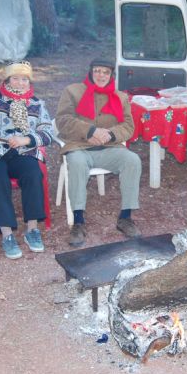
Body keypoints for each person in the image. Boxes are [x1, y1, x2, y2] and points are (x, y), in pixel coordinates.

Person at [55, 57, 142, 247]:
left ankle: (125, 217)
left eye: (105, 72)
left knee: (132, 160)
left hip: (109, 148)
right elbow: (62, 120)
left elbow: (128, 126)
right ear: (90, 72)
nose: (101, 75)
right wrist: (90, 131)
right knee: (76, 163)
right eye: (97, 71)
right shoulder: (73, 91)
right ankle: (78, 222)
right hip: (79, 146)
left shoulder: (120, 97)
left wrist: (110, 135)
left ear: (111, 76)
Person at [0, 61, 52, 259]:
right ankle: (7, 234)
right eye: (15, 78)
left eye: (24, 79)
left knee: (33, 172)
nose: (20, 83)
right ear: (7, 80)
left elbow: (47, 132)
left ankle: (32, 229)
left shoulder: (37, 103)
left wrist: (26, 139)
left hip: (22, 151)